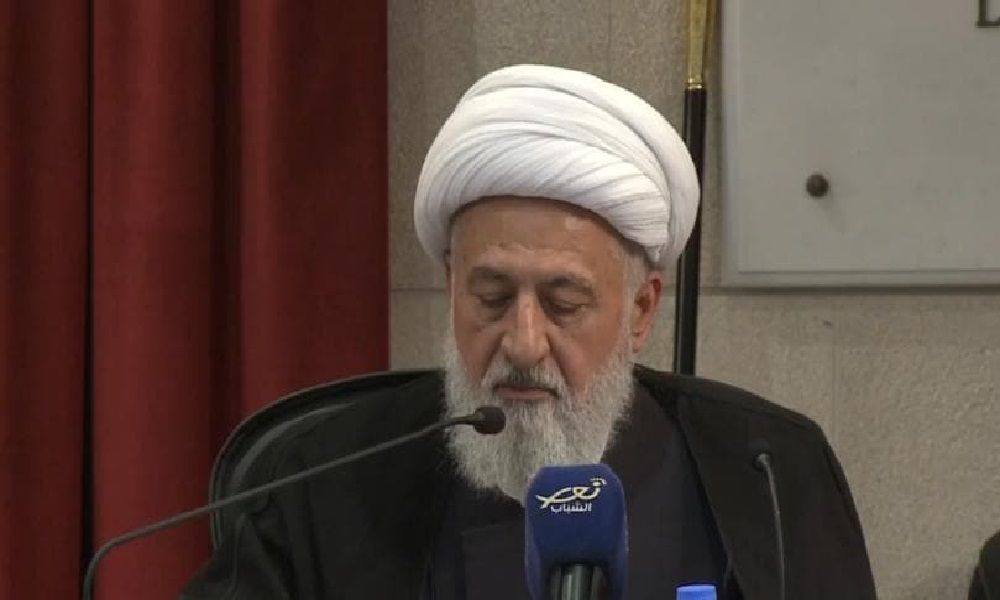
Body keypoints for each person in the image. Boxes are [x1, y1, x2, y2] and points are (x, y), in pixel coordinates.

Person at [180, 64, 877, 599]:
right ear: (451, 286)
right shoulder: (323, 481)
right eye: (490, 297)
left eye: (563, 303)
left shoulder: (768, 469)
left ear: (641, 310)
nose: (522, 341)